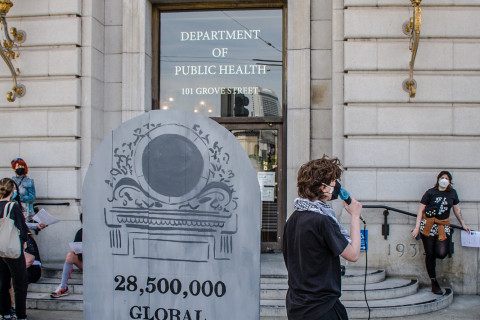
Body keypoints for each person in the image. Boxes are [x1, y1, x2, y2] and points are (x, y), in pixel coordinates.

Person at [283, 156, 362, 320]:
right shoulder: (323, 221)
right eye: (333, 183)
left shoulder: (293, 219)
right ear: (323, 188)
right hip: (322, 307)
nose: (336, 187)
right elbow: (353, 254)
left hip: (297, 306)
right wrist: (355, 216)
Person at [411, 171, 471, 295]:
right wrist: (417, 228)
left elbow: (457, 211)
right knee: (429, 253)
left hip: (443, 225)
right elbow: (420, 210)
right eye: (442, 178)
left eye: (447, 178)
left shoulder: (452, 193)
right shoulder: (430, 192)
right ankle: (434, 281)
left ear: (449, 181)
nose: (444, 180)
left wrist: (463, 224)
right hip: (428, 225)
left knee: (441, 253)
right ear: (438, 179)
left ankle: (433, 264)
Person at [0, 178, 29, 320]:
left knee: (3, 282)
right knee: (20, 283)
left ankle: (5, 312)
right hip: (11, 248)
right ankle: (20, 315)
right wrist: (24, 241)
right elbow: (22, 228)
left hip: (0, 249)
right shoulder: (13, 206)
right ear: (12, 190)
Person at [51, 216, 82, 298]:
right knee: (70, 255)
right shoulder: (81, 232)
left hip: (99, 264)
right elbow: (76, 248)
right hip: (85, 262)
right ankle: (63, 287)